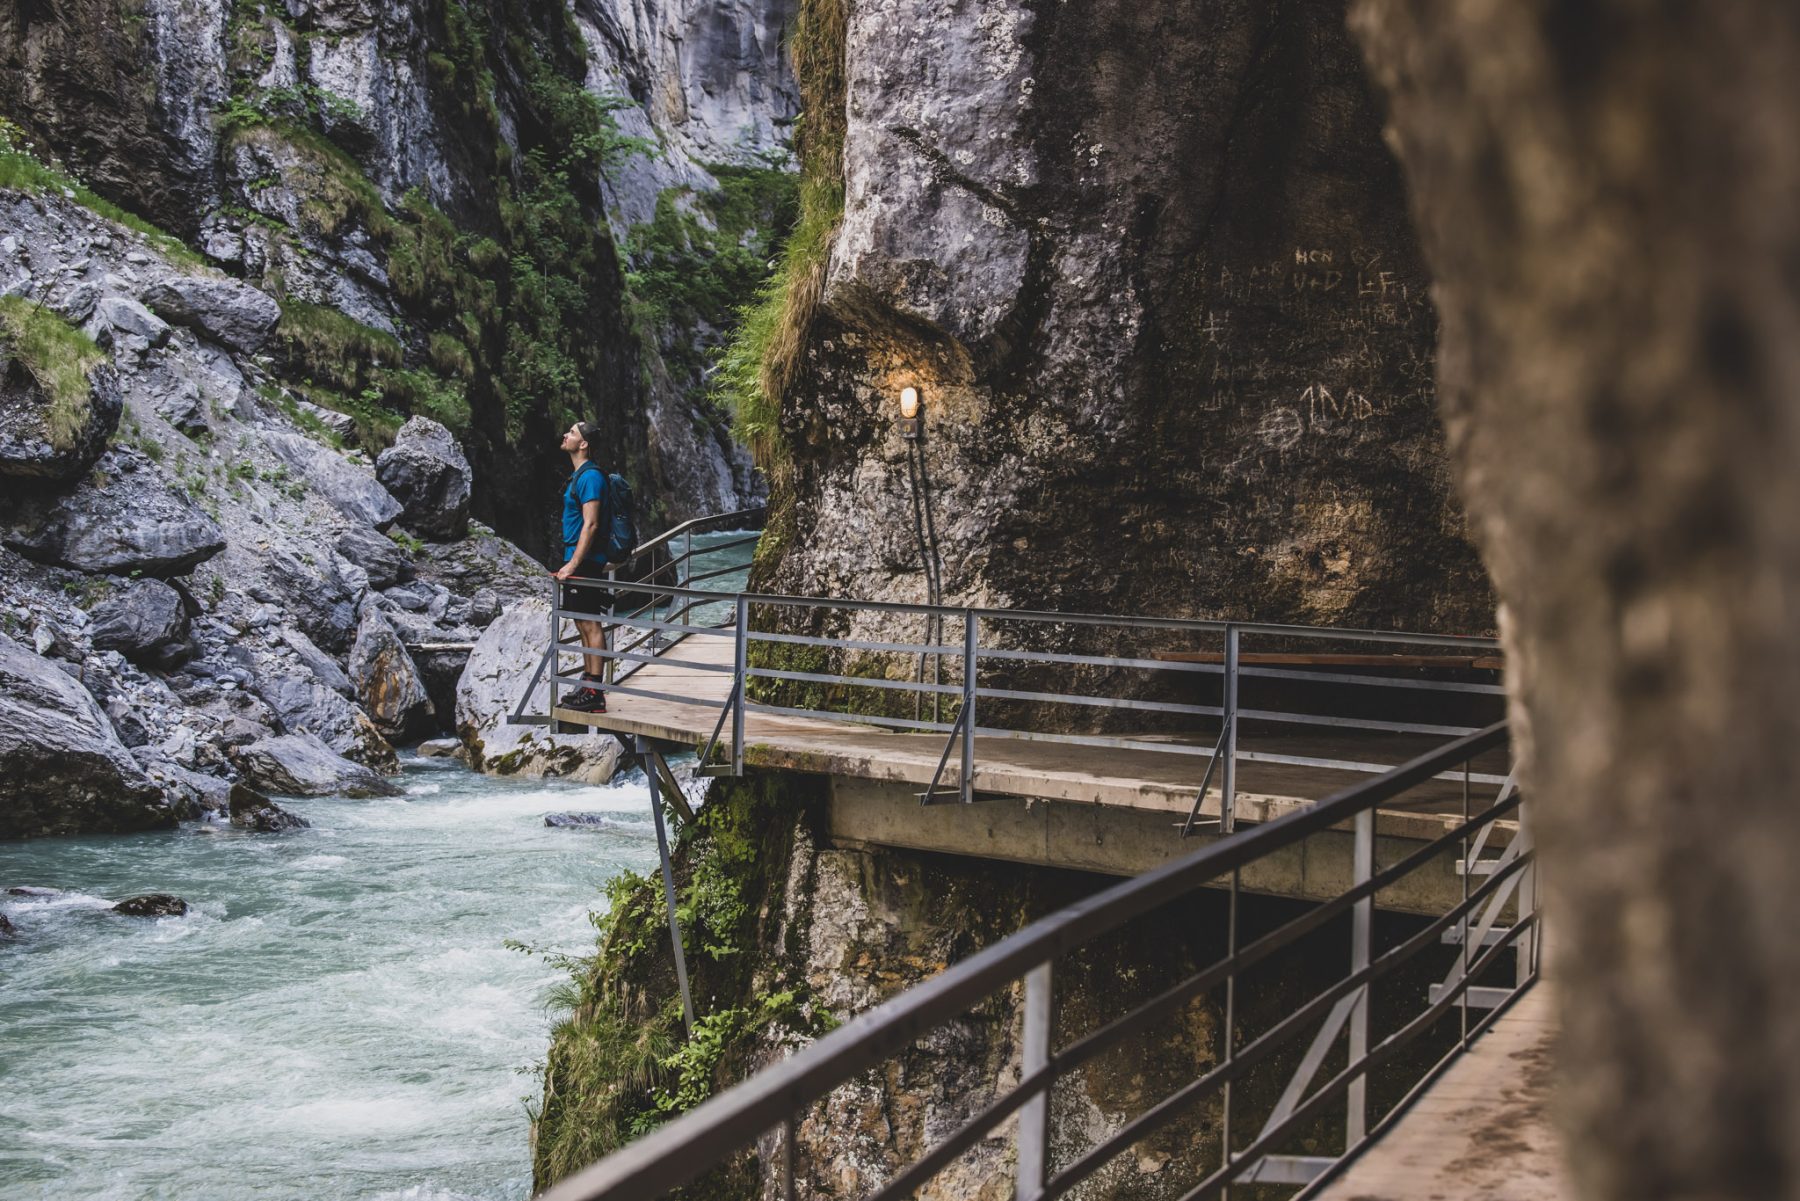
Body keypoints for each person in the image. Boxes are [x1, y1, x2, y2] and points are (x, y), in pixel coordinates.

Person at [554, 421, 620, 713]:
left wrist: (574, 563)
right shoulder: (580, 476)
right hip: (579, 560)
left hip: (585, 562)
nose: (565, 435)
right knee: (582, 621)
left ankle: (596, 691)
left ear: (583, 444)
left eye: (572, 433)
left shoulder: (590, 477)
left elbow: (591, 524)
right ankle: (588, 682)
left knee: (590, 622)